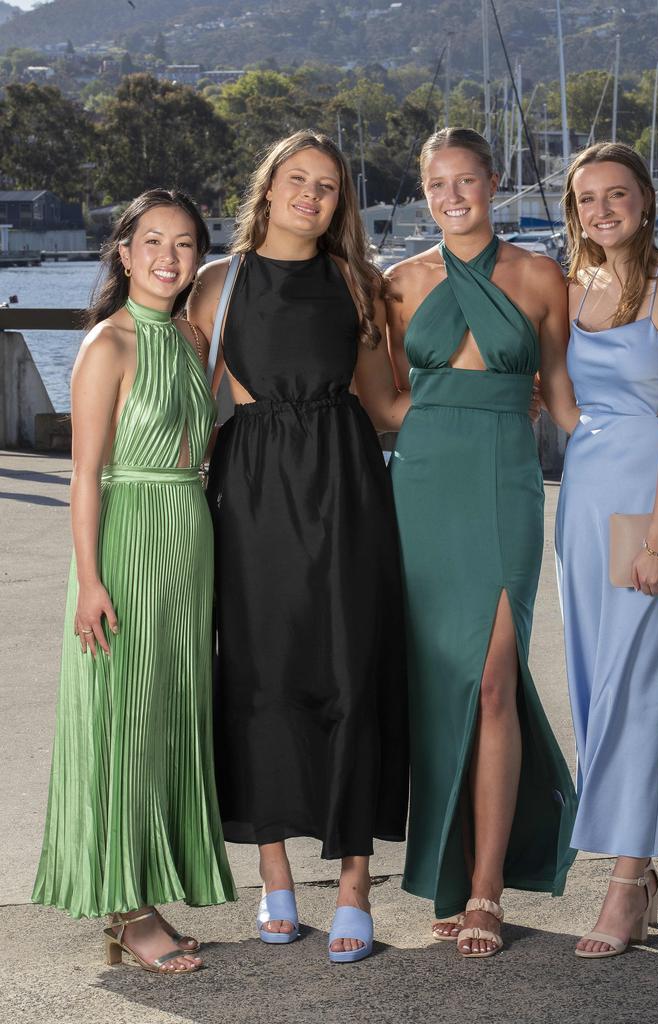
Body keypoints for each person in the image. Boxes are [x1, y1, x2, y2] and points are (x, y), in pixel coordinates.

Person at [188, 130, 409, 964]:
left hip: (348, 488)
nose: (311, 195)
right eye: (297, 180)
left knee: (351, 669)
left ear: (340, 201)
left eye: (328, 185)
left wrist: (476, 397)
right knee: (261, 673)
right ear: (269, 186)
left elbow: (387, 407)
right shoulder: (220, 281)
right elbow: (184, 402)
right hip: (251, 491)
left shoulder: (358, 282)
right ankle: (273, 873)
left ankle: (354, 882)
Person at [385, 127, 579, 959]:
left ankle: (488, 886)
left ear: (494, 184)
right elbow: (380, 403)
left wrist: (650, 481)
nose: (453, 195)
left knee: (496, 679)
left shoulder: (540, 276)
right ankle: (444, 872)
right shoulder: (397, 285)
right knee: (439, 684)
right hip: (423, 486)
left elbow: (565, 399)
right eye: (438, 183)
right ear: (424, 190)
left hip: (503, 486)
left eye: (467, 180)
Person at [32, 190, 236, 974]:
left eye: (185, 244)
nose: (168, 258)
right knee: (121, 715)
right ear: (124, 252)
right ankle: (127, 911)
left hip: (188, 535)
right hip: (127, 540)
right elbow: (84, 476)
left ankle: (148, 890)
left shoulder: (190, 334)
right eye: (152, 241)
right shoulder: (106, 347)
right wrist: (90, 580)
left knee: (167, 714)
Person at [554, 142, 658, 958]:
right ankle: (633, 870)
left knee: (634, 690)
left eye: (618, 194)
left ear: (646, 201)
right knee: (592, 689)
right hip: (583, 506)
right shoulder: (574, 285)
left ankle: (625, 881)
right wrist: (592, 441)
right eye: (587, 198)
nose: (603, 209)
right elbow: (561, 395)